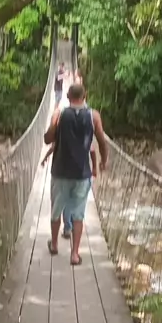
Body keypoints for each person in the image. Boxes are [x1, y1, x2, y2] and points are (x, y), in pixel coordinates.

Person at [44, 84, 108, 265]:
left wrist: (54, 123)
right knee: (78, 215)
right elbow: (102, 141)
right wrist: (103, 161)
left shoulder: (59, 114)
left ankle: (54, 244)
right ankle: (74, 254)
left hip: (60, 172)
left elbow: (47, 139)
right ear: (85, 95)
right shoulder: (94, 116)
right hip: (82, 174)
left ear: (67, 96)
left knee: (56, 211)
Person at [41, 143, 98, 238]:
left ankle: (66, 230)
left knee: (64, 205)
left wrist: (45, 157)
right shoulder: (85, 134)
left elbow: (53, 146)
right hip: (80, 177)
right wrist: (95, 167)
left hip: (64, 176)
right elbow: (92, 150)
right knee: (73, 206)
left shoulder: (63, 133)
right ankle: (69, 229)